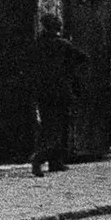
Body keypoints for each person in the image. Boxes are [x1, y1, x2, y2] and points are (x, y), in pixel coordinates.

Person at [29, 12, 87, 177]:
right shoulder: (63, 45)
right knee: (59, 127)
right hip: (61, 91)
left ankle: (55, 162)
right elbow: (83, 57)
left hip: (43, 92)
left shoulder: (38, 44)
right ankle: (39, 158)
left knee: (48, 126)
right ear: (57, 28)